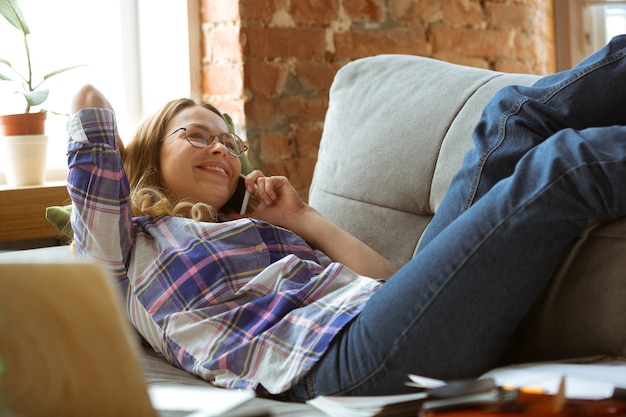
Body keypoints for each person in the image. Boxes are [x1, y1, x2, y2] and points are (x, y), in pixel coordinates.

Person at [67, 34, 626, 401]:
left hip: (386, 318)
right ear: (144, 154)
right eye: (195, 136)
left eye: (227, 142)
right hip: (337, 367)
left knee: (512, 114)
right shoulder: (127, 244)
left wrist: (303, 218)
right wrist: (126, 159)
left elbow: (386, 281)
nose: (220, 150)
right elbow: (89, 108)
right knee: (567, 165)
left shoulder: (261, 229)